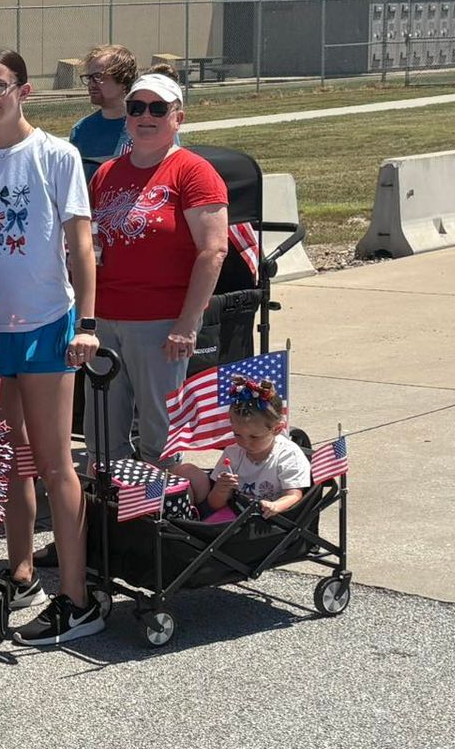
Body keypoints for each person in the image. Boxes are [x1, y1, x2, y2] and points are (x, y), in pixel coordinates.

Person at [0, 48, 101, 648]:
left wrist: (86, 322)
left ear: (23, 90)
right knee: (6, 458)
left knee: (56, 460)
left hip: (45, 323)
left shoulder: (56, 155)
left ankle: (76, 594)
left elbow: (80, 246)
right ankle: (20, 571)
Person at [87, 69, 230, 463]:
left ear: (177, 117)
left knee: (161, 433)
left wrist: (186, 324)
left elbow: (213, 251)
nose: (145, 116)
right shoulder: (105, 174)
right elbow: (91, 245)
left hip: (162, 322)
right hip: (103, 319)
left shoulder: (193, 172)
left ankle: (160, 510)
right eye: (136, 107)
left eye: (157, 108)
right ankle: (113, 512)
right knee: (101, 433)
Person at [167, 376, 309, 522]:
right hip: (235, 511)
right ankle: (183, 518)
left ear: (277, 429)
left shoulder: (288, 454)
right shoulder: (234, 452)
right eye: (237, 434)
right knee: (184, 469)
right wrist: (221, 489)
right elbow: (215, 504)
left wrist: (276, 506)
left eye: (254, 437)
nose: (245, 443)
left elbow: (294, 495)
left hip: (267, 519)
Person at [67, 44, 137, 166]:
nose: (91, 84)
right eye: (89, 78)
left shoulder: (147, 126)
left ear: (124, 80)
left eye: (98, 76)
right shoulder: (80, 130)